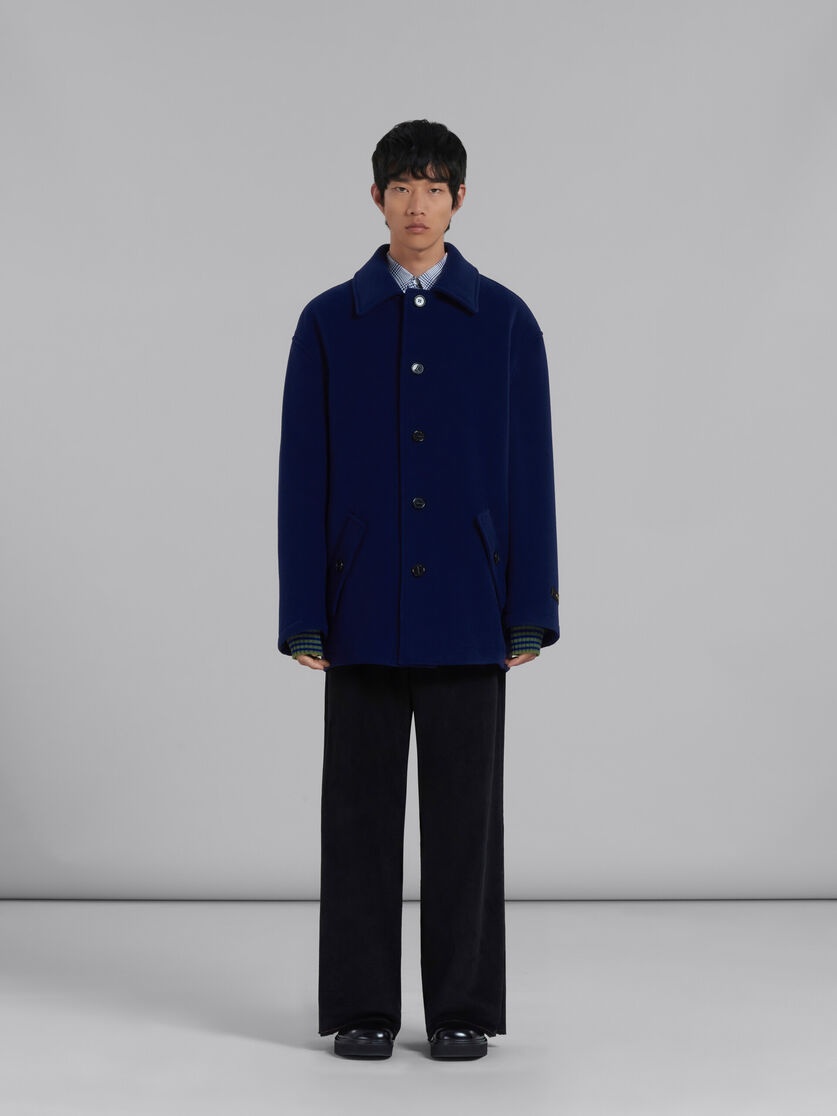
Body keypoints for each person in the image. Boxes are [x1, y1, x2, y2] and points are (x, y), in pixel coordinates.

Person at [277, 119, 559, 1060]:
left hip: (472, 609)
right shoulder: (329, 321)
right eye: (401, 186)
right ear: (376, 198)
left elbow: (530, 473)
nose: (417, 204)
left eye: (434, 187)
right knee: (357, 815)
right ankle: (362, 1006)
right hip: (358, 607)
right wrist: (303, 611)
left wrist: (530, 607)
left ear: (459, 200)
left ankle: (461, 1007)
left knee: (466, 824)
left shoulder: (506, 321)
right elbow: (301, 475)